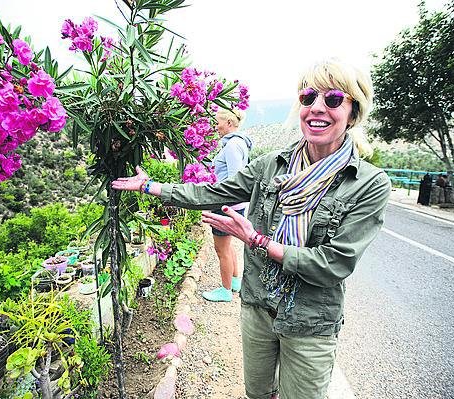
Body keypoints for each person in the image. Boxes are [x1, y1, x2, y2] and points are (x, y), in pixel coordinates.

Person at [112, 58, 391, 399]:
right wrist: (150, 186)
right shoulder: (270, 165)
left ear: (353, 111)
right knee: (258, 393)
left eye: (333, 99)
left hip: (310, 320)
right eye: (308, 98)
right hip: (258, 306)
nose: (317, 108)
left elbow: (334, 264)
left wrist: (256, 240)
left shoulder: (368, 183)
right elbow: (211, 192)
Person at [203, 108, 252, 302]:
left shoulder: (232, 145)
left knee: (221, 248)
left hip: (225, 203)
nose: (216, 127)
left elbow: (234, 179)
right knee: (228, 245)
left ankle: (225, 290)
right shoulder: (239, 143)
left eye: (218, 123)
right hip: (232, 204)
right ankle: (235, 281)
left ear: (229, 123)